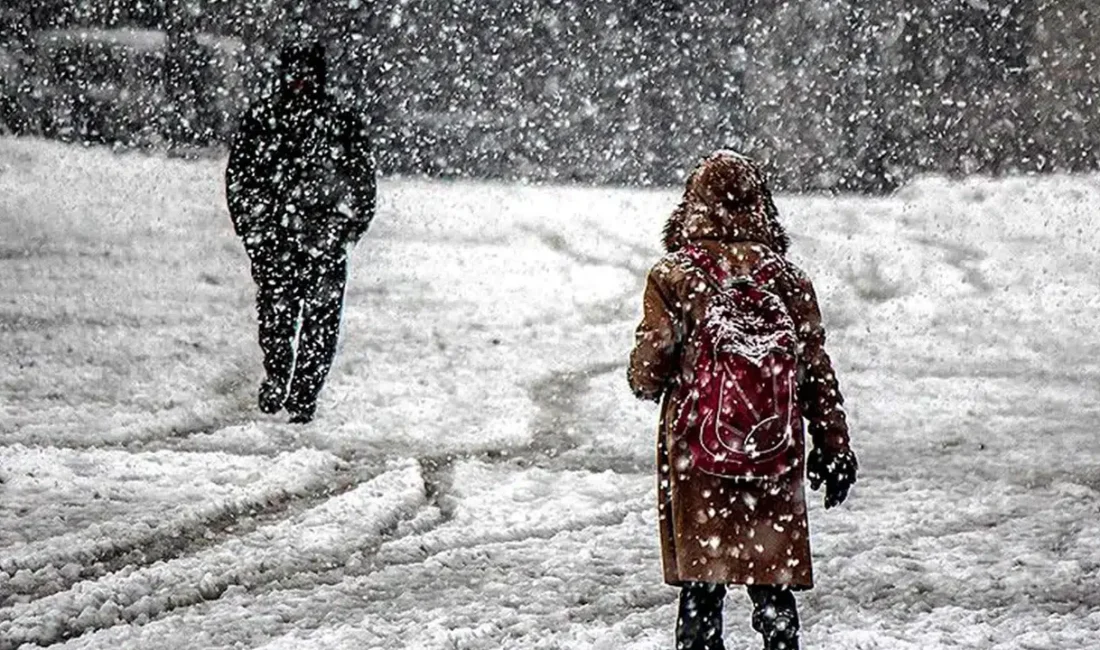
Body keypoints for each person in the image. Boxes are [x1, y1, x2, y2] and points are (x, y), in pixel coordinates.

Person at [627, 151, 858, 650]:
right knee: (772, 587)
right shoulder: (789, 280)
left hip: (699, 451)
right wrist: (834, 445)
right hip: (772, 452)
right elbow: (815, 371)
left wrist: (645, 380)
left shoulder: (673, 276)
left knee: (702, 591)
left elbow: (653, 363)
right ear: (763, 207)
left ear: (692, 206)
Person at [225, 42, 376, 424]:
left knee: (320, 325)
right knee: (276, 316)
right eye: (295, 73)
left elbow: (362, 182)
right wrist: (253, 228)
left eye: (307, 74)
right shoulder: (263, 120)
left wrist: (346, 228)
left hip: (322, 240)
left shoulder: (339, 122)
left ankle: (304, 394)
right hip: (276, 239)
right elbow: (240, 179)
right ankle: (278, 376)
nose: (300, 82)